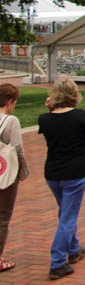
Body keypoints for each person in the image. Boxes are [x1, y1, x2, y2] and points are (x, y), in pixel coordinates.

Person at [38, 78, 85, 280]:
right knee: (68, 216)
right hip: (75, 174)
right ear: (74, 94)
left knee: (66, 211)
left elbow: (51, 120)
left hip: (52, 173)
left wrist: (49, 107)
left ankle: (74, 249)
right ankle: (57, 262)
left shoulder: (44, 119)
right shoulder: (81, 116)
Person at [0, 84, 29, 273]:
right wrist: (23, 170)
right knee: (2, 216)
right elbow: (17, 148)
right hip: (5, 173)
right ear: (10, 101)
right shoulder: (11, 121)